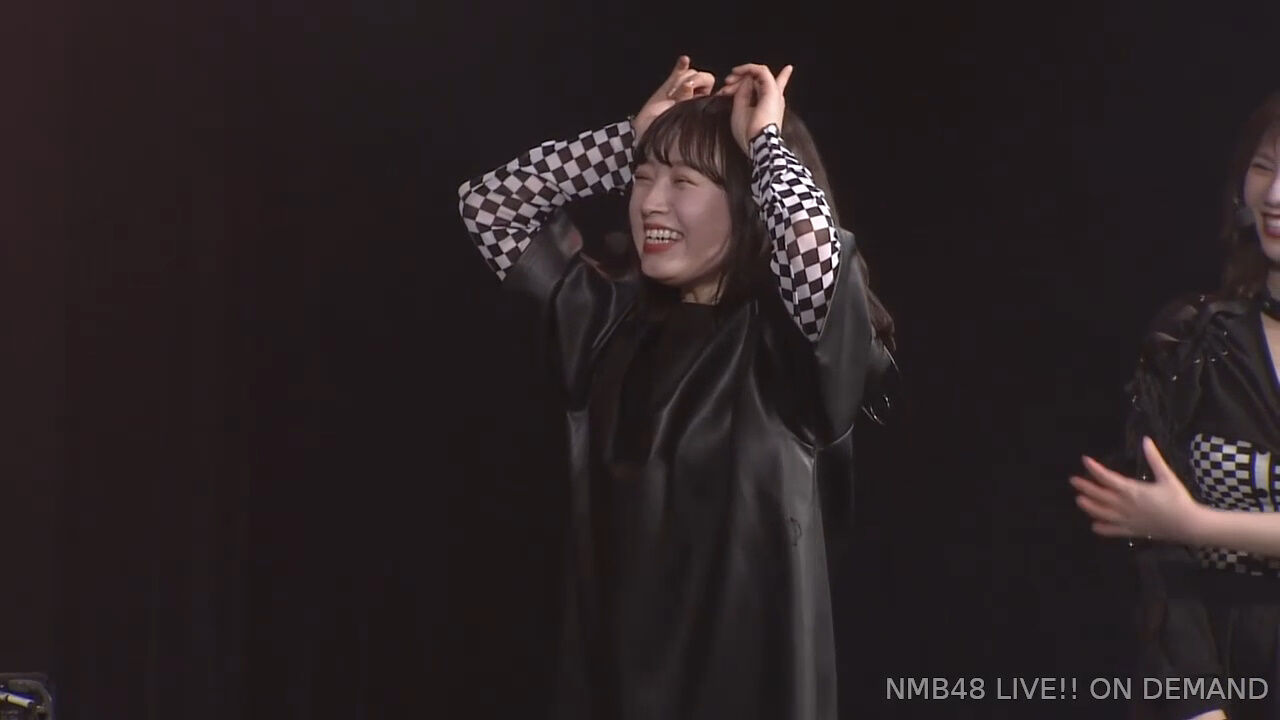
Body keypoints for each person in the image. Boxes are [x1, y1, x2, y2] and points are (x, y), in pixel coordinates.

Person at [455, 56, 894, 719]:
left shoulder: (795, 350)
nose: (650, 203)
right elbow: (488, 204)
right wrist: (631, 142)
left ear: (750, 201)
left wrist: (766, 144)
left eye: (684, 181)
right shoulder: (603, 325)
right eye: (642, 180)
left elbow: (813, 254)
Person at [1070, 91, 1280, 720]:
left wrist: (1194, 524)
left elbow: (1173, 525)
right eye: (1265, 168)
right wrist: (1198, 703)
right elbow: (1151, 548)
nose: (1274, 195)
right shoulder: (1192, 341)